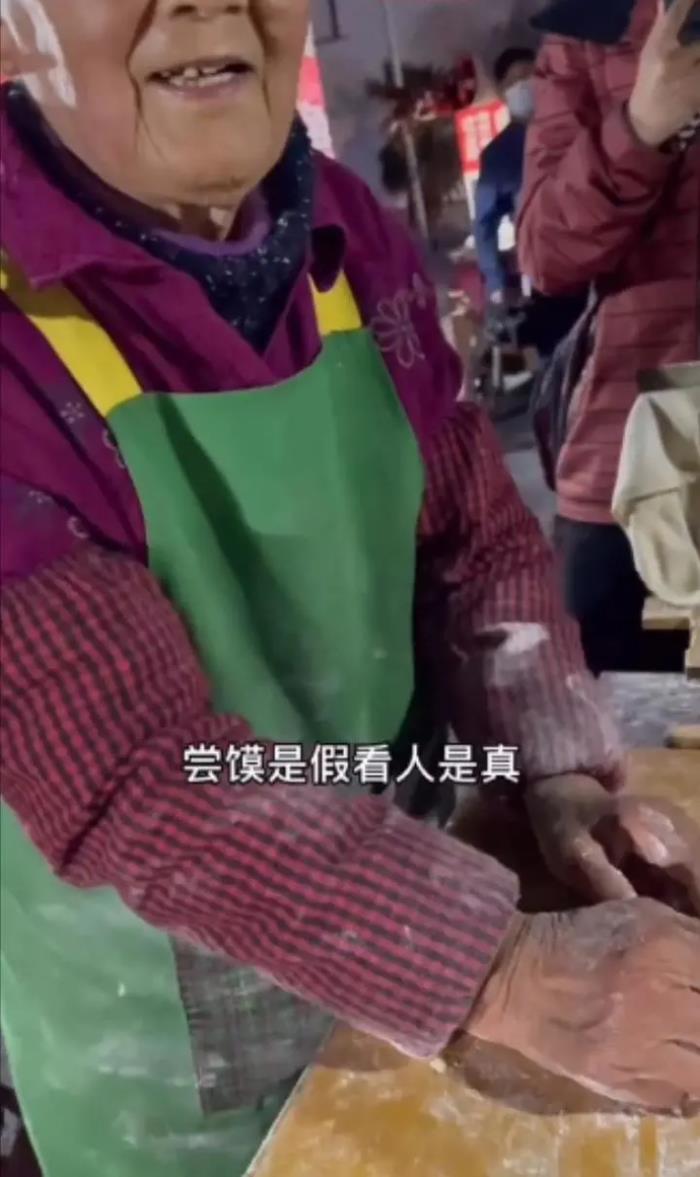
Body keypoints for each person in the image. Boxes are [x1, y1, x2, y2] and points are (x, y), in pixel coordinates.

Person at [0, 3, 698, 1174]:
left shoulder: (340, 229)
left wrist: (555, 773)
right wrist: (501, 972)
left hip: (431, 910)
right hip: (168, 1042)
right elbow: (139, 776)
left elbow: (476, 541)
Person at [518, 0, 700, 674]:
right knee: (622, 723)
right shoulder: (595, 27)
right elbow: (546, 255)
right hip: (641, 465)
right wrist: (642, 125)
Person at [474, 47, 585, 359]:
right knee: (563, 359)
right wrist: (497, 285)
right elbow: (484, 225)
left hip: (596, 251)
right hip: (547, 273)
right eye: (515, 80)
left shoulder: (574, 127)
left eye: (530, 75)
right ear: (502, 93)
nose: (524, 84)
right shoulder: (498, 156)